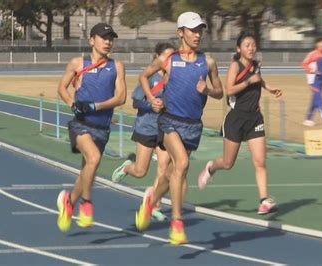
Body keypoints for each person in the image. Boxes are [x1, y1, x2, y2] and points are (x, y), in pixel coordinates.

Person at [135, 11, 224, 245]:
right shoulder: (168, 60)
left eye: (200, 30)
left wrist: (207, 90)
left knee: (168, 174)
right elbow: (144, 76)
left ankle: (150, 203)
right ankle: (176, 222)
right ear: (180, 32)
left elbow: (220, 92)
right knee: (182, 164)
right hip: (169, 121)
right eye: (193, 30)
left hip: (193, 126)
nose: (198, 34)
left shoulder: (209, 62)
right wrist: (151, 98)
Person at [196, 31, 282, 215]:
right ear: (239, 49)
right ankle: (211, 167)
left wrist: (268, 87)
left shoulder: (256, 65)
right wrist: (249, 81)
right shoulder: (235, 65)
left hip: (255, 118)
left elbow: (258, 79)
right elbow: (229, 90)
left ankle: (264, 200)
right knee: (228, 163)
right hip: (235, 119)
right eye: (247, 45)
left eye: (253, 44)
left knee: (260, 161)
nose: (251, 48)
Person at [56, 23, 126, 232]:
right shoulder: (78, 63)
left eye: (110, 38)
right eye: (104, 37)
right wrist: (73, 104)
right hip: (81, 125)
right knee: (94, 159)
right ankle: (86, 204)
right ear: (91, 40)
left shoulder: (117, 66)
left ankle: (69, 202)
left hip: (102, 127)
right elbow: (61, 87)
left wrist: (96, 106)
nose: (108, 42)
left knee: (86, 172)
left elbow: (121, 97)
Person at [111, 42, 186, 221]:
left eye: (172, 56)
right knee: (140, 171)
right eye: (166, 56)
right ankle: (128, 167)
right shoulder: (151, 78)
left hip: (165, 129)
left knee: (164, 169)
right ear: (157, 57)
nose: (169, 60)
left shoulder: (175, 78)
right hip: (146, 127)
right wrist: (151, 104)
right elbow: (136, 102)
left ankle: (154, 205)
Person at [302, 37, 322, 127]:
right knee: (319, 97)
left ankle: (308, 119)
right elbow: (304, 64)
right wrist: (312, 70)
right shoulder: (312, 54)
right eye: (320, 43)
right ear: (316, 44)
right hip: (313, 79)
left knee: (315, 99)